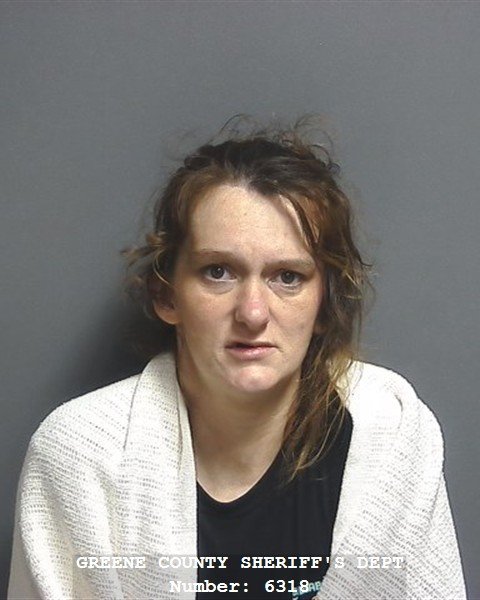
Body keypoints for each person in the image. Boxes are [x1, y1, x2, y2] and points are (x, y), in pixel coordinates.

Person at [8, 120, 466, 600]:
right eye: (218, 272)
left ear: (325, 303)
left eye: (287, 277)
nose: (252, 313)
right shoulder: (79, 457)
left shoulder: (393, 438)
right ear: (167, 295)